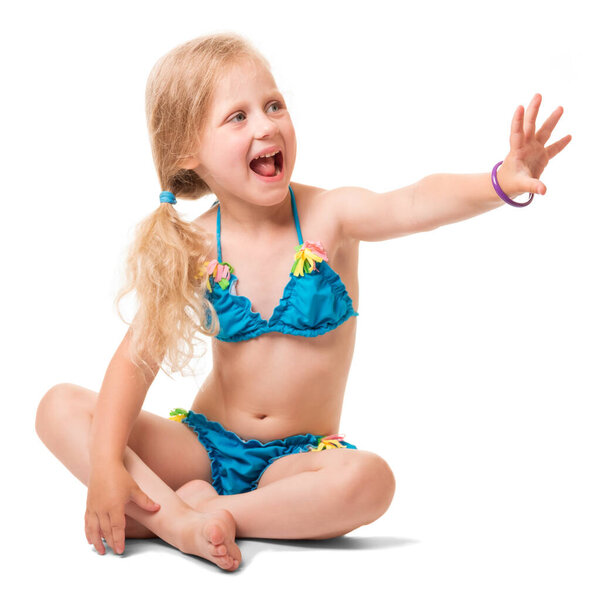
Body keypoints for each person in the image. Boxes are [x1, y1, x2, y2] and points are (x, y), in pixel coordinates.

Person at [34, 32, 571, 572]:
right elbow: (136, 359)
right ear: (188, 152)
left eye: (273, 106)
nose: (266, 125)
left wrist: (498, 181)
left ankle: (202, 512)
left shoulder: (330, 216)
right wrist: (105, 464)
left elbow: (412, 200)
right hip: (201, 445)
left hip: (296, 464)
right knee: (59, 405)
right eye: (237, 117)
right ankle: (176, 519)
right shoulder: (193, 244)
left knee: (370, 481)